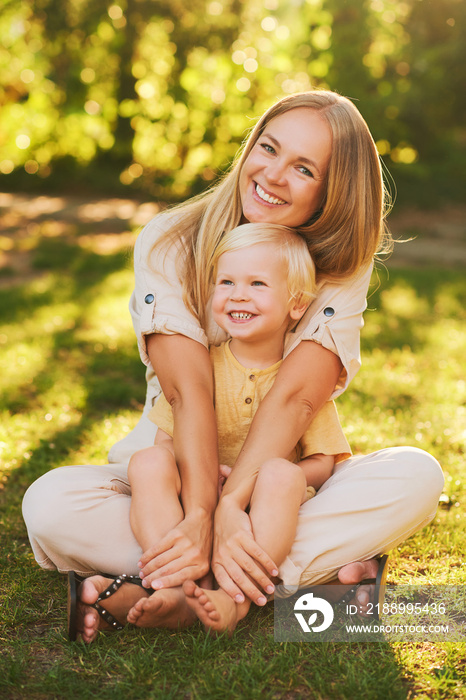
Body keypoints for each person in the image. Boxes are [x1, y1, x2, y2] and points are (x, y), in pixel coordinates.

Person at [22, 90, 444, 644]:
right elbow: (189, 391)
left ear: (331, 192)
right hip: (176, 475)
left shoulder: (338, 262)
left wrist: (232, 507)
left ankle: (183, 578)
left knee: (417, 475)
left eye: (303, 168)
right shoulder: (168, 241)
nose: (272, 175)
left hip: (274, 490)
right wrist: (201, 510)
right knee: (50, 506)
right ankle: (274, 581)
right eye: (267, 148)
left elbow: (297, 398)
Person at [127, 223, 352, 634]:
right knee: (147, 462)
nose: (238, 294)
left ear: (297, 303)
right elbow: (166, 438)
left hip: (266, 511)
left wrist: (267, 480)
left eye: (257, 283)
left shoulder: (301, 376)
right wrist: (197, 476)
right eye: (226, 281)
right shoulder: (202, 363)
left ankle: (235, 599)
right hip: (199, 496)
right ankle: (176, 577)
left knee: (282, 473)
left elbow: (324, 460)